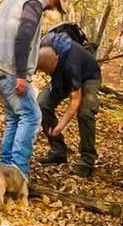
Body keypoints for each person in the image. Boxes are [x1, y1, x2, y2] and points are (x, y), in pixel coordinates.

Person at [0, 0, 69, 176]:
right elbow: (23, 38)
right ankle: (18, 171)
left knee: (14, 117)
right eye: (56, 4)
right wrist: (21, 74)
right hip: (8, 67)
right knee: (32, 116)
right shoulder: (33, 3)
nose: (53, 8)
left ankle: (4, 169)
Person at [36, 32, 101, 178]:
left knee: (85, 112)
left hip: (88, 77)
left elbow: (75, 99)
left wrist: (60, 125)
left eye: (48, 71)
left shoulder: (71, 65)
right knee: (42, 104)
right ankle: (58, 151)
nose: (46, 74)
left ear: (56, 60)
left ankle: (87, 160)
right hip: (60, 76)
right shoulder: (43, 46)